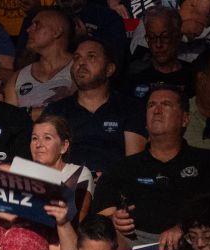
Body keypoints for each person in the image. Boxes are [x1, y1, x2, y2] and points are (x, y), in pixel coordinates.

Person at [94, 83, 210, 250]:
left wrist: (186, 228)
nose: (157, 111)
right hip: (134, 245)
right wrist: (114, 220)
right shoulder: (123, 167)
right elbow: (100, 218)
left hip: (193, 243)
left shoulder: (209, 162)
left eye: (166, 105)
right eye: (151, 105)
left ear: (185, 119)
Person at [44, 38, 147, 175]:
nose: (81, 63)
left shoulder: (129, 108)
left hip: (113, 189)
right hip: (64, 189)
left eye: (91, 57)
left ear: (109, 69)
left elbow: (134, 164)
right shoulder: (56, 110)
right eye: (77, 58)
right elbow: (45, 161)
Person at [7, 7, 75, 111]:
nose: (28, 29)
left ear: (57, 32)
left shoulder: (79, 70)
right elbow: (10, 122)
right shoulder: (17, 79)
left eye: (37, 25)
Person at [122, 8, 195, 102]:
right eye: (152, 37)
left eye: (165, 37)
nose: (158, 44)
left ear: (178, 37)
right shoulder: (135, 75)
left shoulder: (192, 77)